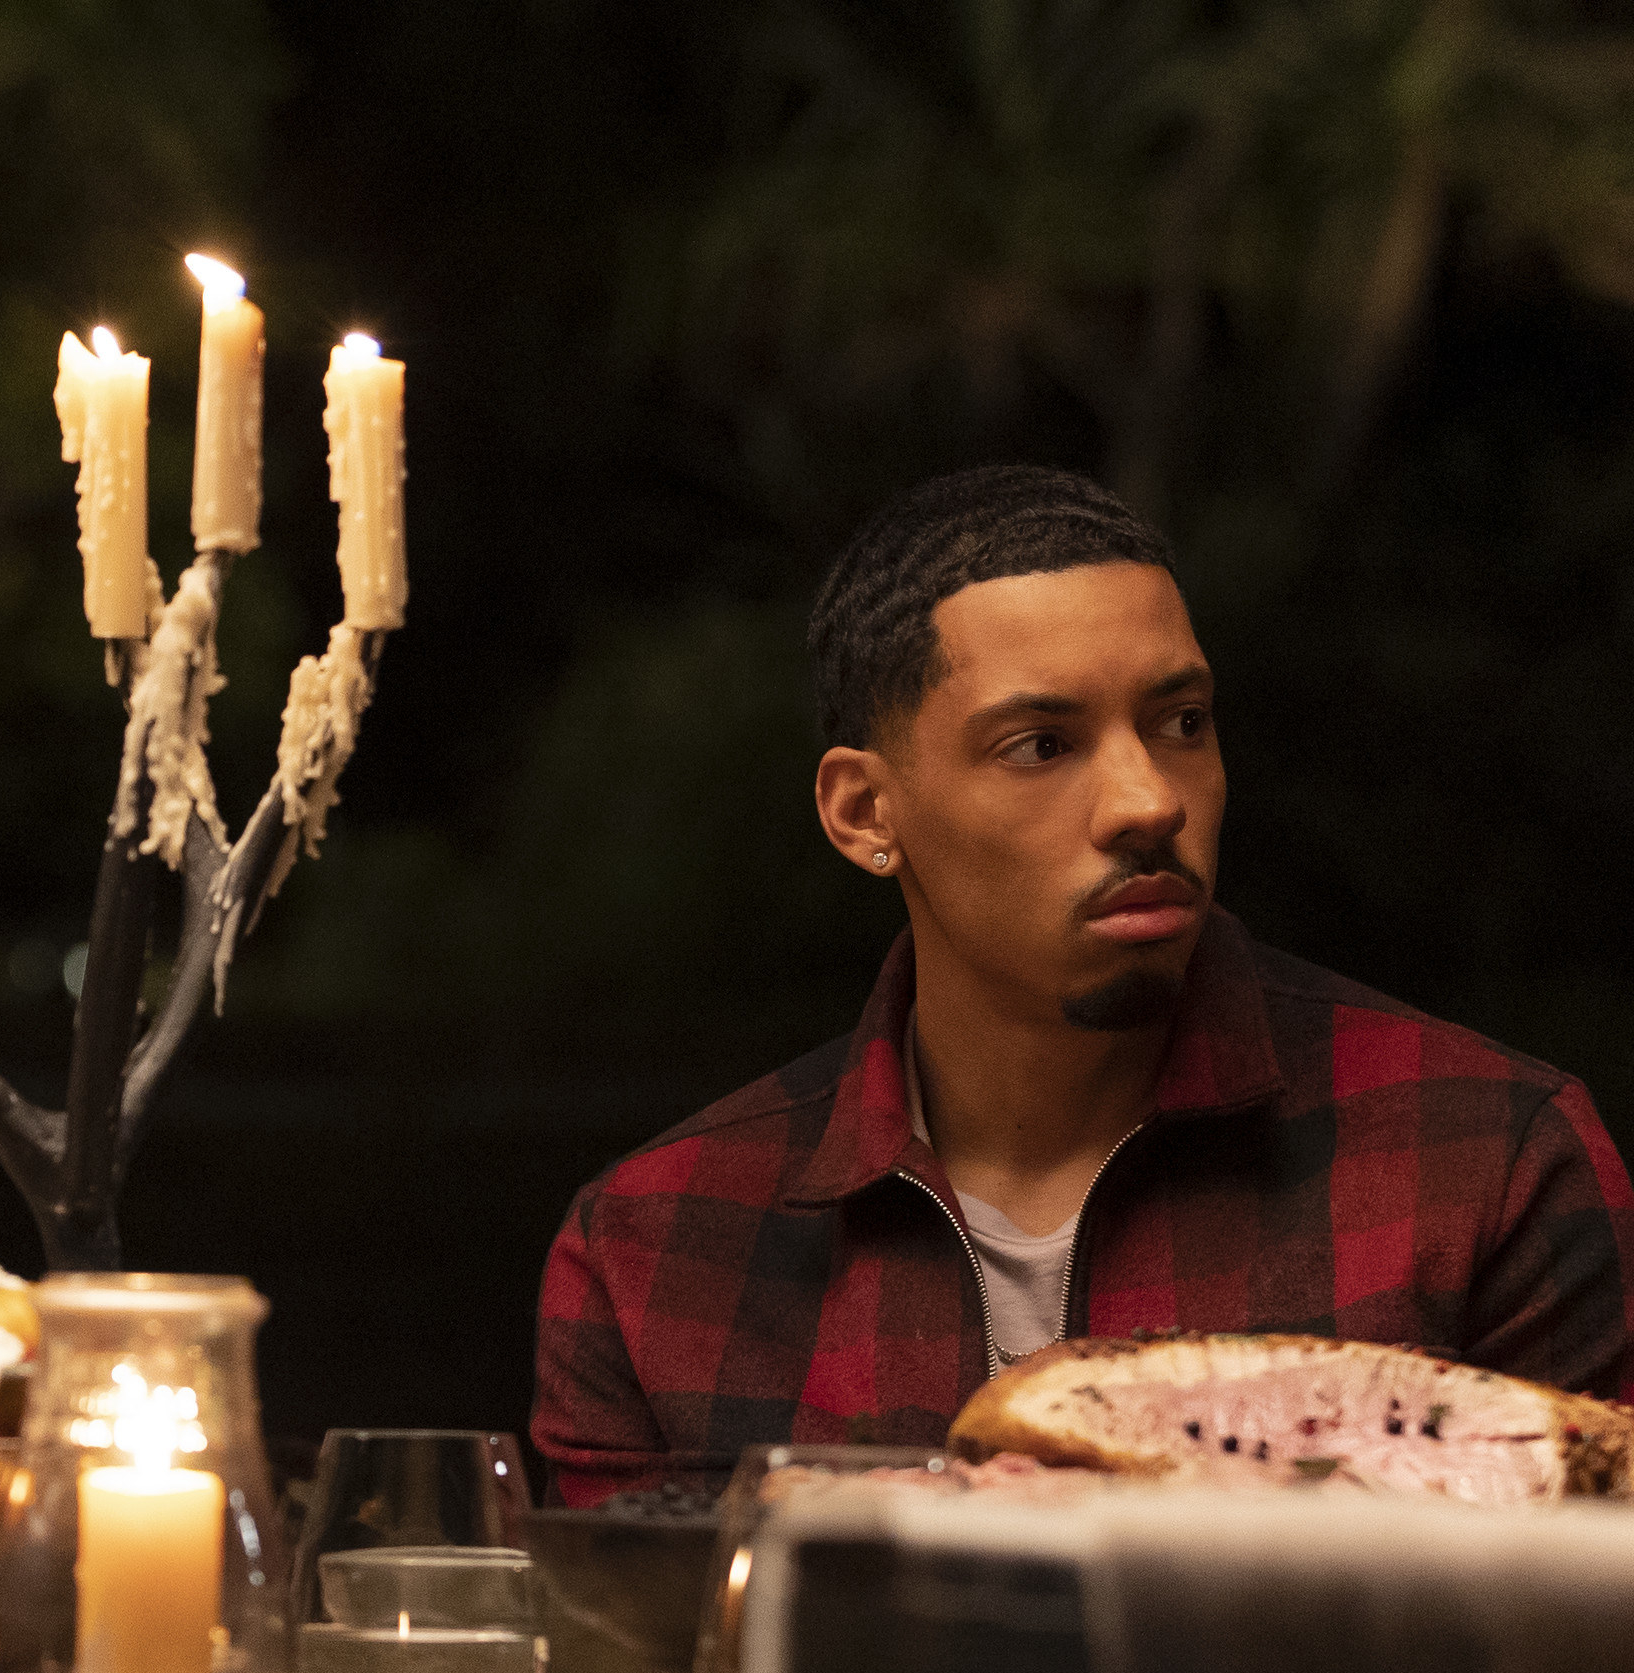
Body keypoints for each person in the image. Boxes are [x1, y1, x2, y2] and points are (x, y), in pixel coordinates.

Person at [533, 465, 1634, 1502]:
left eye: (1182, 722)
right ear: (868, 813)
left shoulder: (1485, 1163)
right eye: (1042, 743)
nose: (1146, 798)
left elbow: (1583, 1663)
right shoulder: (654, 1250)